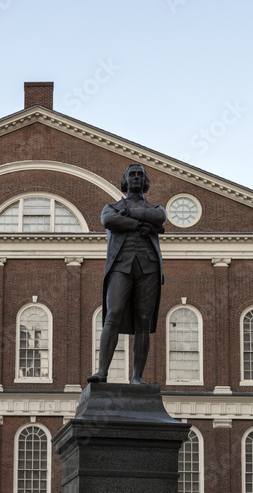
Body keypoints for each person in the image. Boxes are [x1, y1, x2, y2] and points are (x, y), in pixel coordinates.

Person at [87, 163, 167, 384]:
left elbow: (160, 218)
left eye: (140, 175)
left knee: (144, 320)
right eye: (131, 174)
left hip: (148, 267)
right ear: (124, 180)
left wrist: (130, 214)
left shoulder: (156, 208)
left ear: (145, 181)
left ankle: (137, 377)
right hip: (120, 266)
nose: (136, 178)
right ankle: (102, 372)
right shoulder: (111, 207)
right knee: (113, 315)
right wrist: (141, 223)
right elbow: (108, 220)